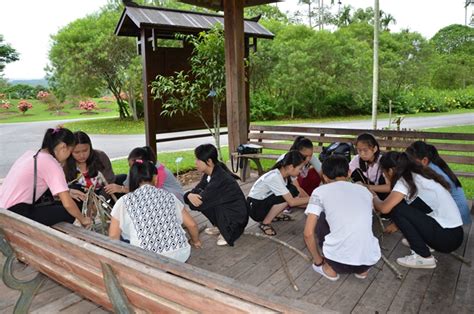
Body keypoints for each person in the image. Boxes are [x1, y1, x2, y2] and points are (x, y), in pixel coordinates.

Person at [373, 151, 463, 269]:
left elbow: (384, 208)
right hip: (454, 235)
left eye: (384, 173)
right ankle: (425, 244)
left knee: (397, 208)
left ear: (391, 170)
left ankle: (424, 256)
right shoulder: (417, 175)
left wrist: (373, 196)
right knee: (404, 205)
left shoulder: (404, 180)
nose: (385, 176)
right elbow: (420, 208)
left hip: (446, 238)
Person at [304, 155, 381, 281]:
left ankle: (329, 269)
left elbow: (308, 234)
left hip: (336, 261)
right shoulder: (365, 191)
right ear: (349, 173)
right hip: (368, 259)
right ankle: (362, 271)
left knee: (321, 216)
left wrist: (318, 261)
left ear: (324, 176)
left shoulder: (319, 192)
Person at [109, 160, 201, 262]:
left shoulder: (123, 202)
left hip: (147, 259)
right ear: (155, 178)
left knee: (124, 236)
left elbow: (113, 236)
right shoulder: (169, 196)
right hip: (180, 254)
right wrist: (195, 241)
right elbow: (192, 224)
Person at [0, 127, 92, 227]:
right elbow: (68, 204)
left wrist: (69, 191)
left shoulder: (31, 154)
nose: (69, 156)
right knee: (69, 212)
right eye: (70, 151)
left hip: (4, 210)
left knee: (59, 206)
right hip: (16, 214)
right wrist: (83, 220)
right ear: (63, 147)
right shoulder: (51, 163)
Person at [184, 144, 248, 246]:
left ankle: (228, 232)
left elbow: (196, 203)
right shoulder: (211, 172)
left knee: (202, 201)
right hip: (227, 210)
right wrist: (189, 195)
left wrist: (189, 196)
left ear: (209, 161)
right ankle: (220, 226)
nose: (195, 162)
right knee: (202, 198)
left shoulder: (220, 179)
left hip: (236, 219)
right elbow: (196, 190)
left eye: (198, 160)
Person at [406, 141, 471, 225]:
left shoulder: (432, 172)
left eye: (411, 161)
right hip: (460, 216)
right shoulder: (434, 165)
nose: (409, 164)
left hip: (457, 220)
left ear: (424, 160)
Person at [247, 150, 309, 236]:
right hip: (255, 209)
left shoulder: (283, 175)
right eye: (300, 168)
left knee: (292, 190)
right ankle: (265, 223)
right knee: (289, 195)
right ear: (291, 167)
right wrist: (313, 198)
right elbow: (292, 202)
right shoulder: (275, 177)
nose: (301, 171)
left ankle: (275, 215)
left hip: (260, 204)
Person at [105, 146, 184, 203]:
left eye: (132, 166)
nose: (131, 169)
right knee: (120, 178)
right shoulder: (136, 169)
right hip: (154, 198)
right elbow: (129, 187)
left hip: (173, 202)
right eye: (130, 166)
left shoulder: (159, 172)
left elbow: (150, 193)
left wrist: (121, 189)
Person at [64, 131, 116, 204]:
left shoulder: (100, 157)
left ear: (90, 147)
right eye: (76, 152)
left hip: (100, 195)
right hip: (79, 200)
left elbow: (109, 181)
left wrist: (100, 200)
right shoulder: (65, 163)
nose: (82, 155)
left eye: (85, 150)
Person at [349, 133, 390, 197]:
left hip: (382, 196)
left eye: (365, 150)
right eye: (359, 150)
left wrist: (366, 186)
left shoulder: (382, 161)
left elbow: (389, 187)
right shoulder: (357, 159)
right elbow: (347, 174)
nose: (362, 154)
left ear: (375, 149)